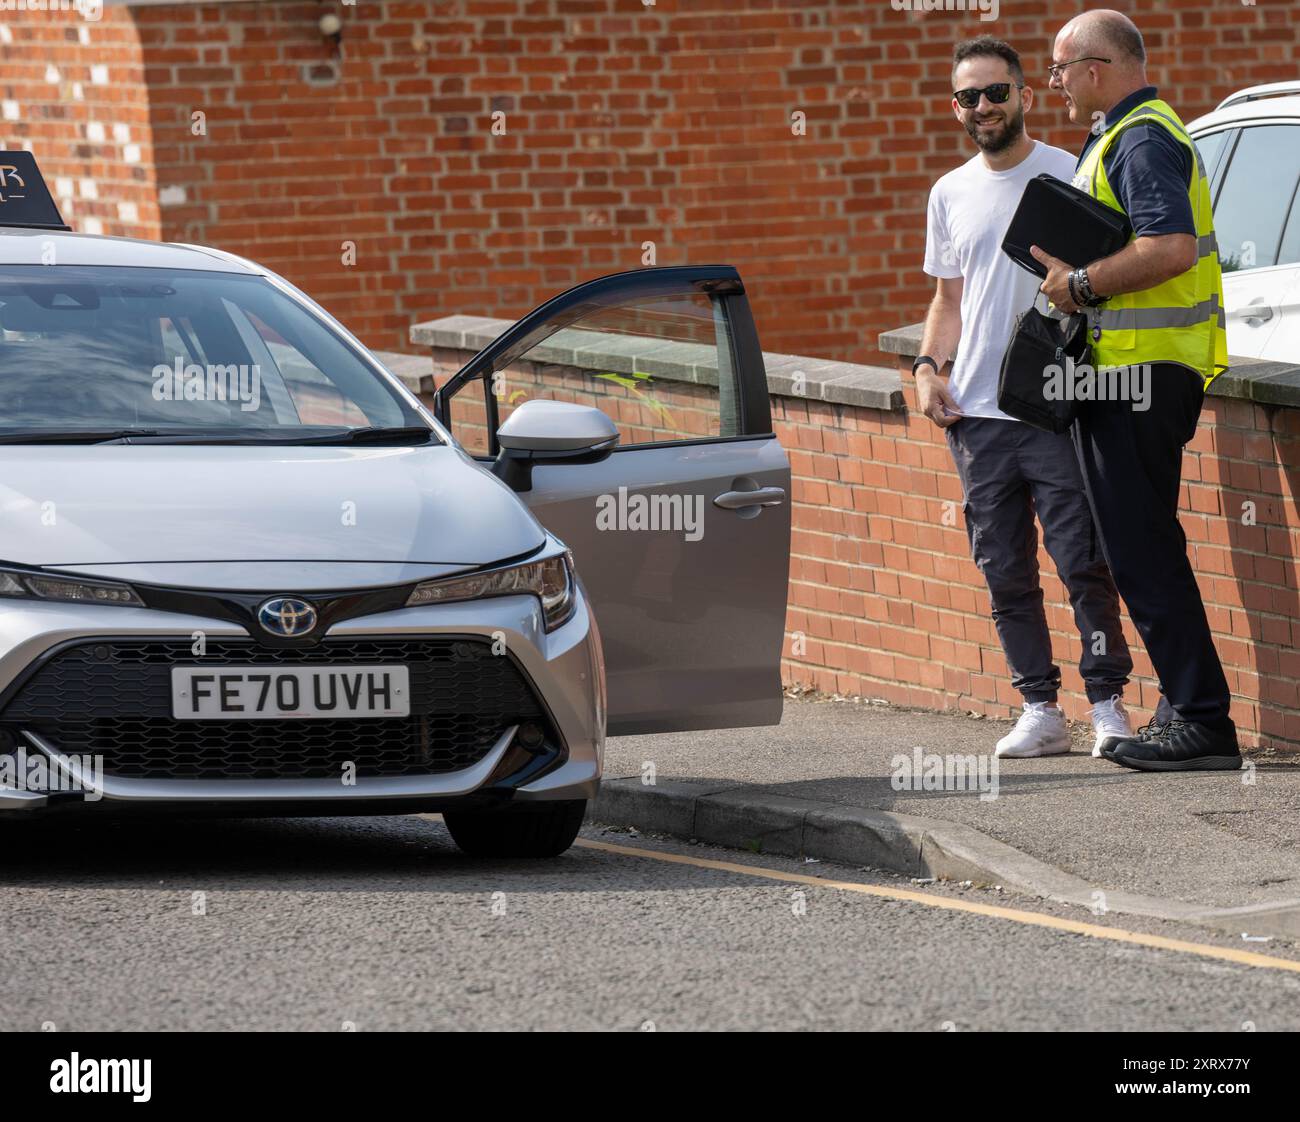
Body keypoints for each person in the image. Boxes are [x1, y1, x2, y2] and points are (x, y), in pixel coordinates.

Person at [918, 35, 1133, 759]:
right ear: (956, 108)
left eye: (996, 92)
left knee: (1083, 563)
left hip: (1055, 404)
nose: (983, 106)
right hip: (976, 417)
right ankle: (1040, 708)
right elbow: (948, 297)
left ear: (1026, 96)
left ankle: (1107, 704)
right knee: (1004, 569)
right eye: (968, 97)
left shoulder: (1071, 171)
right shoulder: (948, 192)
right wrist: (927, 367)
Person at [1034, 10, 1238, 771]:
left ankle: (1204, 721)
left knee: (1143, 549)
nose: (1052, 82)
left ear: (1097, 67)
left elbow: (1170, 246)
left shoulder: (1142, 135)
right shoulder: (1119, 134)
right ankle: (1186, 707)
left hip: (1140, 377)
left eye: (1059, 68)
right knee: (1141, 547)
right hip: (1124, 374)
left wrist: (1079, 284)